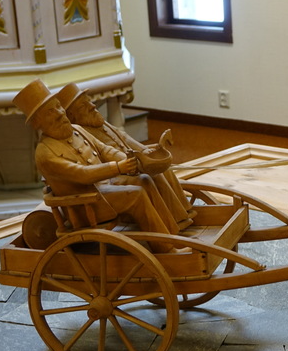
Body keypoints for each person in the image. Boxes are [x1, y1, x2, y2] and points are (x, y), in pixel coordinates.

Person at [13, 79, 183, 252]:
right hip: (87, 204)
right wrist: (119, 167)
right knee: (136, 195)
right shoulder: (45, 153)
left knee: (144, 179)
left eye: (58, 106)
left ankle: (172, 235)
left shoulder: (77, 129)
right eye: (50, 112)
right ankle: (166, 249)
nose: (59, 113)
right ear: (37, 123)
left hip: (103, 189)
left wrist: (134, 160)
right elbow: (83, 174)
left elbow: (105, 150)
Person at [56, 82, 194, 228]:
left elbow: (124, 138)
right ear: (72, 116)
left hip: (131, 163)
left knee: (163, 169)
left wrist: (144, 151)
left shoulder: (99, 122)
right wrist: (135, 163)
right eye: (83, 106)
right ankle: (171, 221)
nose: (92, 106)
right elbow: (103, 158)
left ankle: (182, 211)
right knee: (150, 176)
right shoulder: (83, 134)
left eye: (89, 101)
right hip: (117, 173)